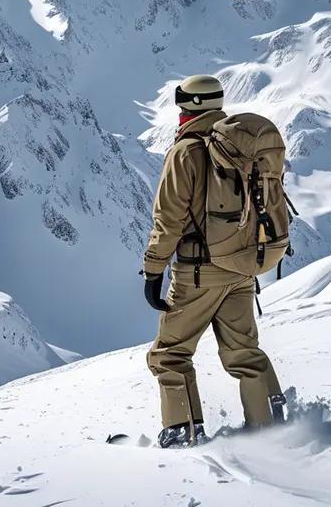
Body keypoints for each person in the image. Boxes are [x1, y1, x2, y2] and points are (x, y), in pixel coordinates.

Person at [143, 74, 285, 449]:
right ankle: (271, 424)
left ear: (189, 107)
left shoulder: (185, 152)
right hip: (241, 268)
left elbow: (169, 221)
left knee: (170, 355)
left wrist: (153, 271)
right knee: (243, 352)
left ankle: (183, 432)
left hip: (198, 273)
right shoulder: (238, 147)